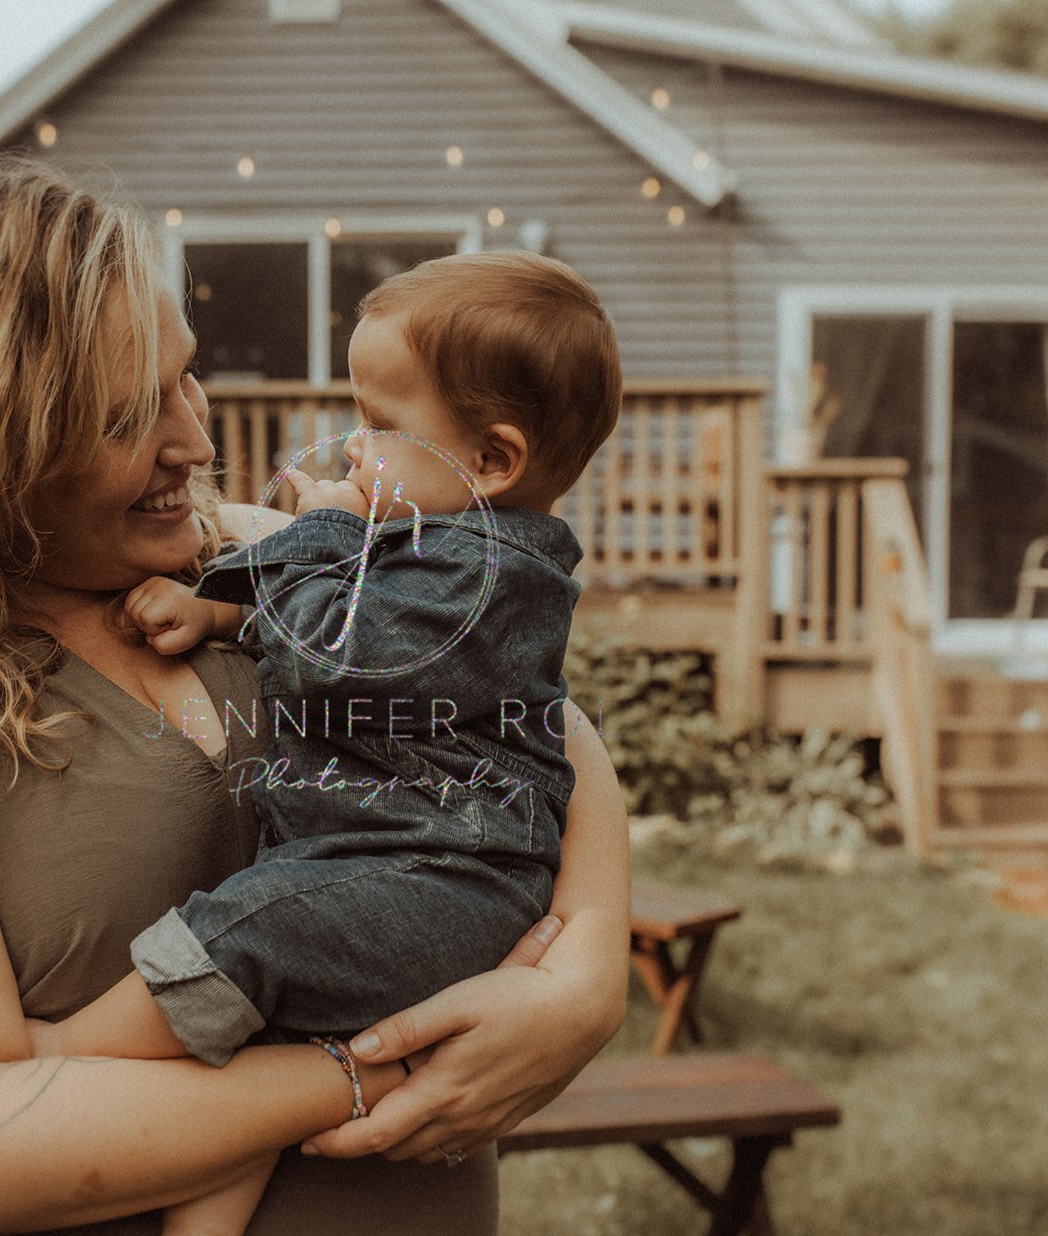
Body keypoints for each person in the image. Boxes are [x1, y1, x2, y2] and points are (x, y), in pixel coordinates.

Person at [0, 155, 628, 1235]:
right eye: (122, 420)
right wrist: (380, 1068)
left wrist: (585, 981)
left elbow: (540, 724)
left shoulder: (248, 554)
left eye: (183, 377)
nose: (194, 440)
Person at [33, 252, 623, 1234]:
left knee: (245, 932)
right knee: (258, 1027)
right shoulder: (436, 541)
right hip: (387, 860)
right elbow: (326, 624)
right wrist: (216, 615)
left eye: (383, 426)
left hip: (437, 876)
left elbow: (333, 659)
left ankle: (57, 1059)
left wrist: (323, 534)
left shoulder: (490, 572)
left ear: (489, 461)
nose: (354, 448)